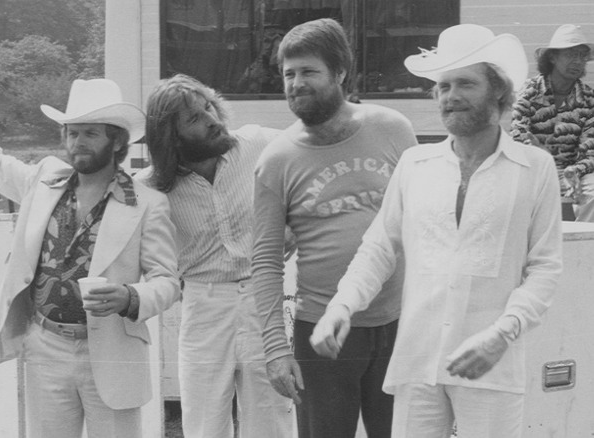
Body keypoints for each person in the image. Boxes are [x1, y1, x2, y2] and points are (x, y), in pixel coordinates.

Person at [310, 24, 563, 438]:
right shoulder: (415, 164)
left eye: (465, 83)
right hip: (418, 360)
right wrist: (342, 306)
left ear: (498, 91)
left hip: (493, 363)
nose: (451, 96)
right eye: (443, 86)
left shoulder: (535, 169)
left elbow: (545, 269)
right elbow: (378, 249)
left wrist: (502, 334)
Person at [0, 45, 179, 438]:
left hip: (113, 351)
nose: (78, 142)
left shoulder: (148, 203)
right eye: (72, 133)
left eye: (90, 134)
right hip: (45, 345)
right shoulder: (42, 179)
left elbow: (167, 281)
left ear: (116, 142)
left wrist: (130, 297)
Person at [251, 18, 418, 438]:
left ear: (340, 72)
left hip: (400, 323)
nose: (295, 83)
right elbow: (266, 261)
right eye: (289, 74)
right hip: (321, 333)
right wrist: (275, 349)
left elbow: (424, 224)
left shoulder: (393, 129)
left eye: (309, 72)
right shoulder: (277, 160)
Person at [137, 74, 293, 438]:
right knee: (204, 425)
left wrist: (298, 222)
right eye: (194, 118)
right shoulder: (151, 186)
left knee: (272, 422)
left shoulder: (257, 143)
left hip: (264, 298)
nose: (212, 119)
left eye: (208, 105)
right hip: (202, 304)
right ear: (171, 137)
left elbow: (310, 157)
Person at [511, 24, 594, 221]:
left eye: (582, 56)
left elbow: (590, 150)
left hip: (573, 171)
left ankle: (582, 247)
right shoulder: (529, 92)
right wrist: (542, 156)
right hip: (533, 167)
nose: (578, 61)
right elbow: (519, 138)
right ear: (552, 57)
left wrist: (575, 170)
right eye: (571, 55)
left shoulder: (589, 99)